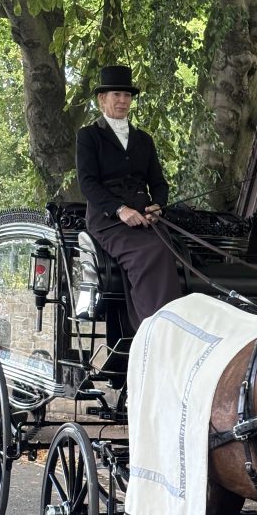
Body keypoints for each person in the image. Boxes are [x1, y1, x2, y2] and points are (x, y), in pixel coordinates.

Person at [76, 64, 181, 329]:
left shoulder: (144, 140)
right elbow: (87, 183)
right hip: (108, 219)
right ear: (103, 99)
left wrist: (158, 206)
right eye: (116, 95)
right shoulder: (89, 136)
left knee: (171, 251)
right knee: (150, 252)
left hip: (145, 216)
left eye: (127, 96)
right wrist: (120, 210)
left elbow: (158, 182)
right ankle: (152, 327)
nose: (123, 101)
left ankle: (171, 322)